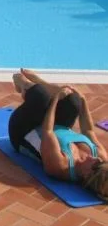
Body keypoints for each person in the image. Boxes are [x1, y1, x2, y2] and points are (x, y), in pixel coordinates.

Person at [10, 68, 108, 200]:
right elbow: (88, 130)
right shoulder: (100, 157)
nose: (97, 159)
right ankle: (38, 83)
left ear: (86, 175)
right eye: (101, 161)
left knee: (41, 97)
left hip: (23, 130)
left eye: (96, 164)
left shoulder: (60, 165)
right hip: (56, 124)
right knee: (74, 100)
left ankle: (21, 82)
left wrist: (56, 99)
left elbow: (47, 131)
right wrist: (83, 101)